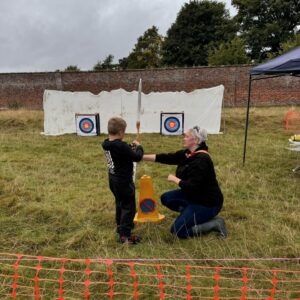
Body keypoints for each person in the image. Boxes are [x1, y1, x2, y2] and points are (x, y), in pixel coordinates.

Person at [143, 126, 227, 239]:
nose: (184, 138)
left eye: (187, 136)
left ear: (196, 141)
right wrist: (141, 157)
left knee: (177, 231)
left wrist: (175, 179)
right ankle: (190, 215)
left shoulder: (201, 160)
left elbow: (192, 187)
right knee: (166, 198)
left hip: (207, 203)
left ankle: (214, 224)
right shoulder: (188, 153)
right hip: (194, 197)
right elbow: (168, 157)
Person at [102, 117, 144, 244]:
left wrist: (130, 146)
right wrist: (139, 146)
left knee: (120, 203)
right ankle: (125, 236)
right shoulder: (121, 146)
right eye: (124, 132)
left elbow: (122, 151)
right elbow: (137, 157)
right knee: (128, 206)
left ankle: (121, 226)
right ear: (120, 132)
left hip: (113, 180)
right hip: (123, 182)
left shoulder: (106, 143)